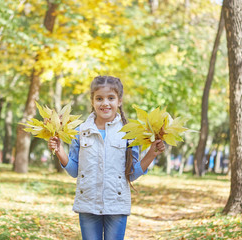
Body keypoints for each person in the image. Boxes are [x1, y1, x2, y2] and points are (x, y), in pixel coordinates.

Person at [48, 76, 165, 240]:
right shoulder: (80, 132)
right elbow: (75, 171)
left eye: (111, 98)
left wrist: (152, 153)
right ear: (92, 101)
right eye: (99, 98)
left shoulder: (129, 133)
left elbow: (131, 174)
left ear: (119, 101)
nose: (105, 103)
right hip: (87, 203)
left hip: (116, 204)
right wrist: (59, 150)